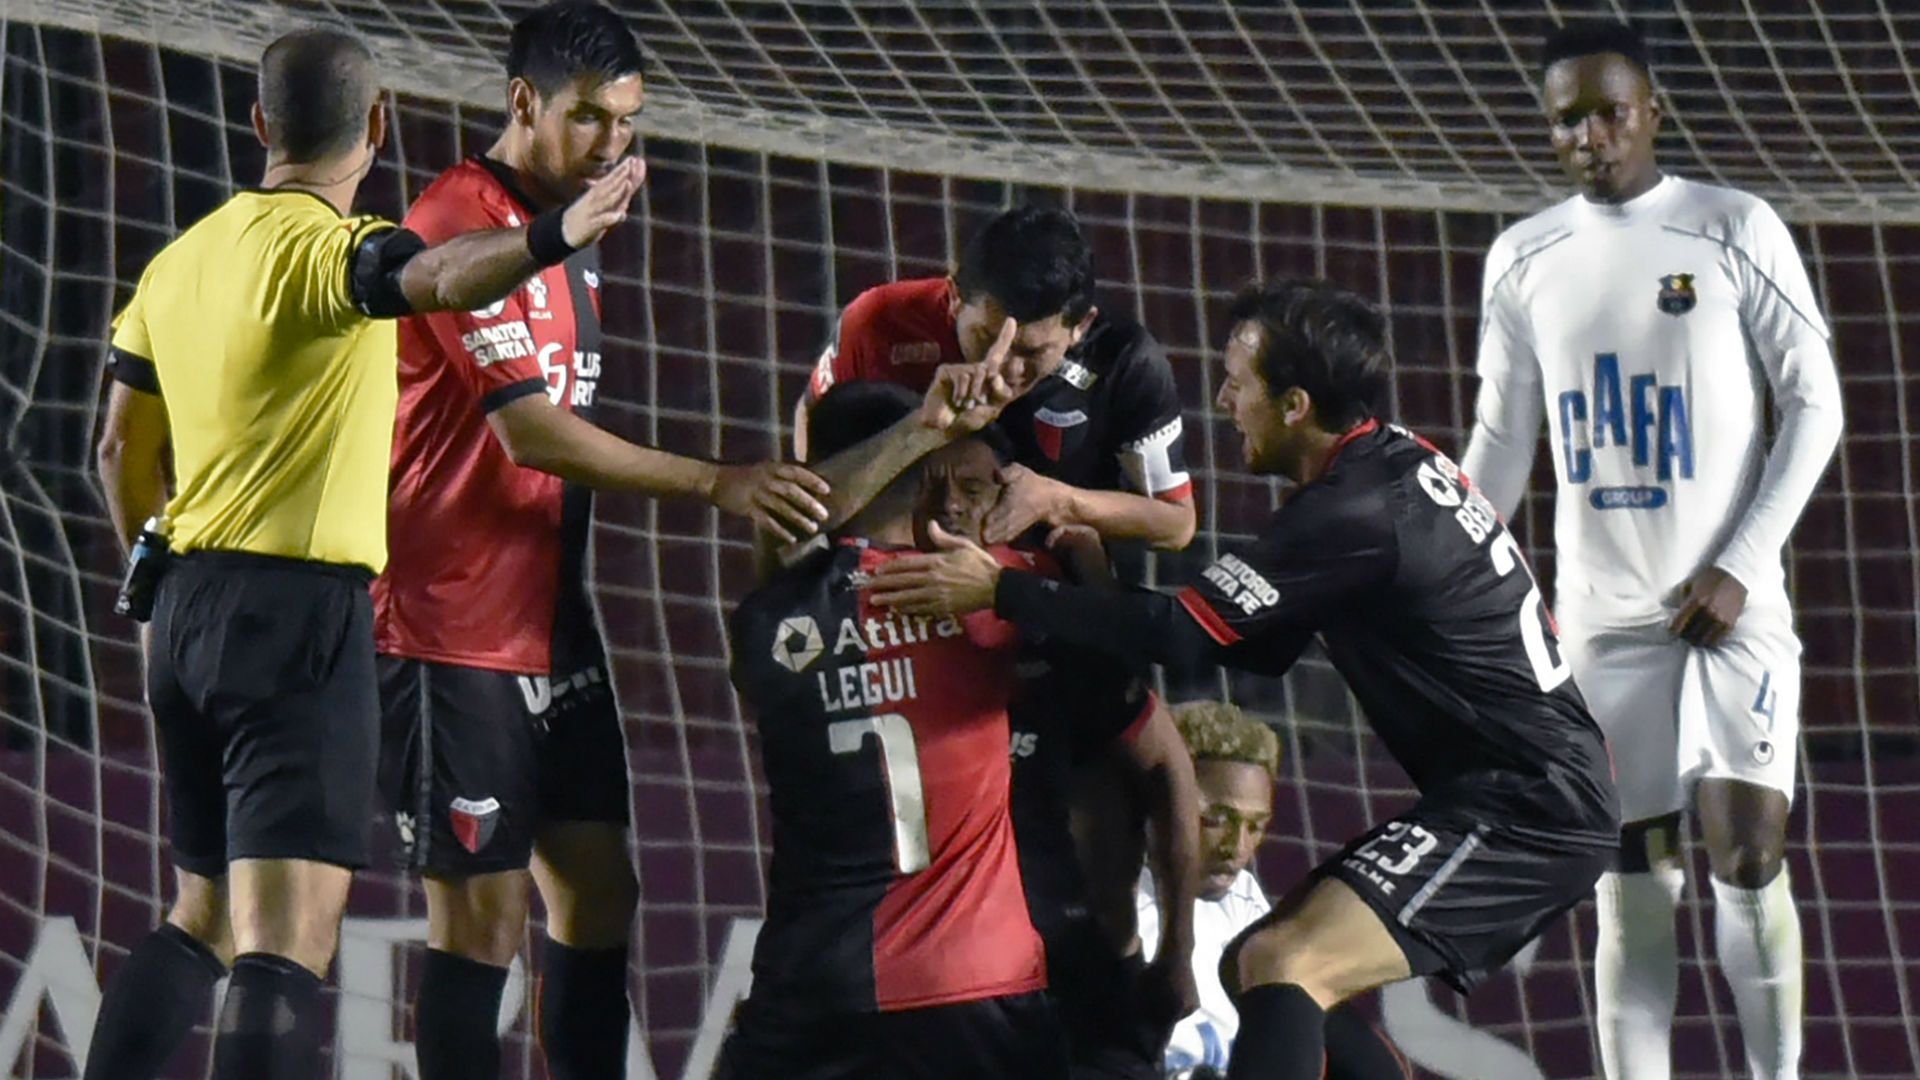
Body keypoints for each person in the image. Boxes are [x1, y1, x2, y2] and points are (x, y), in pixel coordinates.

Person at [868, 278, 1621, 1080]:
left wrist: (1006, 589)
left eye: (1237, 380)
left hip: (1530, 806)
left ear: (1294, 404)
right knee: (1254, 965)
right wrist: (1092, 560)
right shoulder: (1386, 464)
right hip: (1520, 789)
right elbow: (1253, 645)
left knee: (1283, 964)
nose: (1223, 397)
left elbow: (1184, 637)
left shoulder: (1353, 510)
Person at [87, 26, 642, 1080]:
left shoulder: (178, 261)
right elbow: (434, 277)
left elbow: (117, 444)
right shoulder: (333, 250)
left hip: (183, 608)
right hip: (300, 617)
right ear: (379, 127)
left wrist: (148, 574)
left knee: (199, 914)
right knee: (285, 942)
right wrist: (552, 236)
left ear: (257, 125)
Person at [368, 5, 828, 1077]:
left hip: (549, 621)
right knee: (480, 923)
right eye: (588, 118)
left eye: (626, 120)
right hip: (453, 625)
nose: (612, 143)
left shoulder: (574, 223)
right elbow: (528, 429)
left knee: (598, 888)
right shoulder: (456, 222)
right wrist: (719, 481)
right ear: (522, 101)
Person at [1458, 21, 1842, 1080]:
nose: (1588, 134)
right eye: (1566, 119)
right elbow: (1501, 445)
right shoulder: (1525, 257)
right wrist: (1452, 575)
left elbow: (1817, 406)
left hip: (1734, 603)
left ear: (1653, 109)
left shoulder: (1734, 227)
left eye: (1607, 110)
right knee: (1631, 872)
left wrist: (1744, 563)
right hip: (1603, 618)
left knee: (1748, 849)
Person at [717, 379, 1070, 1080]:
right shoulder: (989, 594)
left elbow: (784, 558)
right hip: (973, 984)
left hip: (812, 987)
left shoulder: (760, 624)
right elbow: (1092, 607)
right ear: (924, 473)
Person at [916, 424, 1202, 1079]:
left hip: (1065, 958)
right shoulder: (869, 612)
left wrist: (1175, 948)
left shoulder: (1054, 619)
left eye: (972, 487)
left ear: (1012, 499)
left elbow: (1163, 766)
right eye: (932, 486)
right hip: (934, 966)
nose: (951, 504)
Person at [796, 203, 1196, 553]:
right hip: (888, 575)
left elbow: (1177, 524)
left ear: (1081, 326)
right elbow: (806, 472)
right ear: (954, 297)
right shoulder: (880, 323)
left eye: (1032, 352)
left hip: (1046, 589)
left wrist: (1059, 501)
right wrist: (923, 430)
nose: (1004, 367)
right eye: (986, 338)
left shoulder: (1124, 361)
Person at [1135, 702, 1406, 1080]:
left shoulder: (1241, 900)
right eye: (1215, 819)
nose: (1237, 846)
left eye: (1255, 826)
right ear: (1164, 801)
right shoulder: (1114, 906)